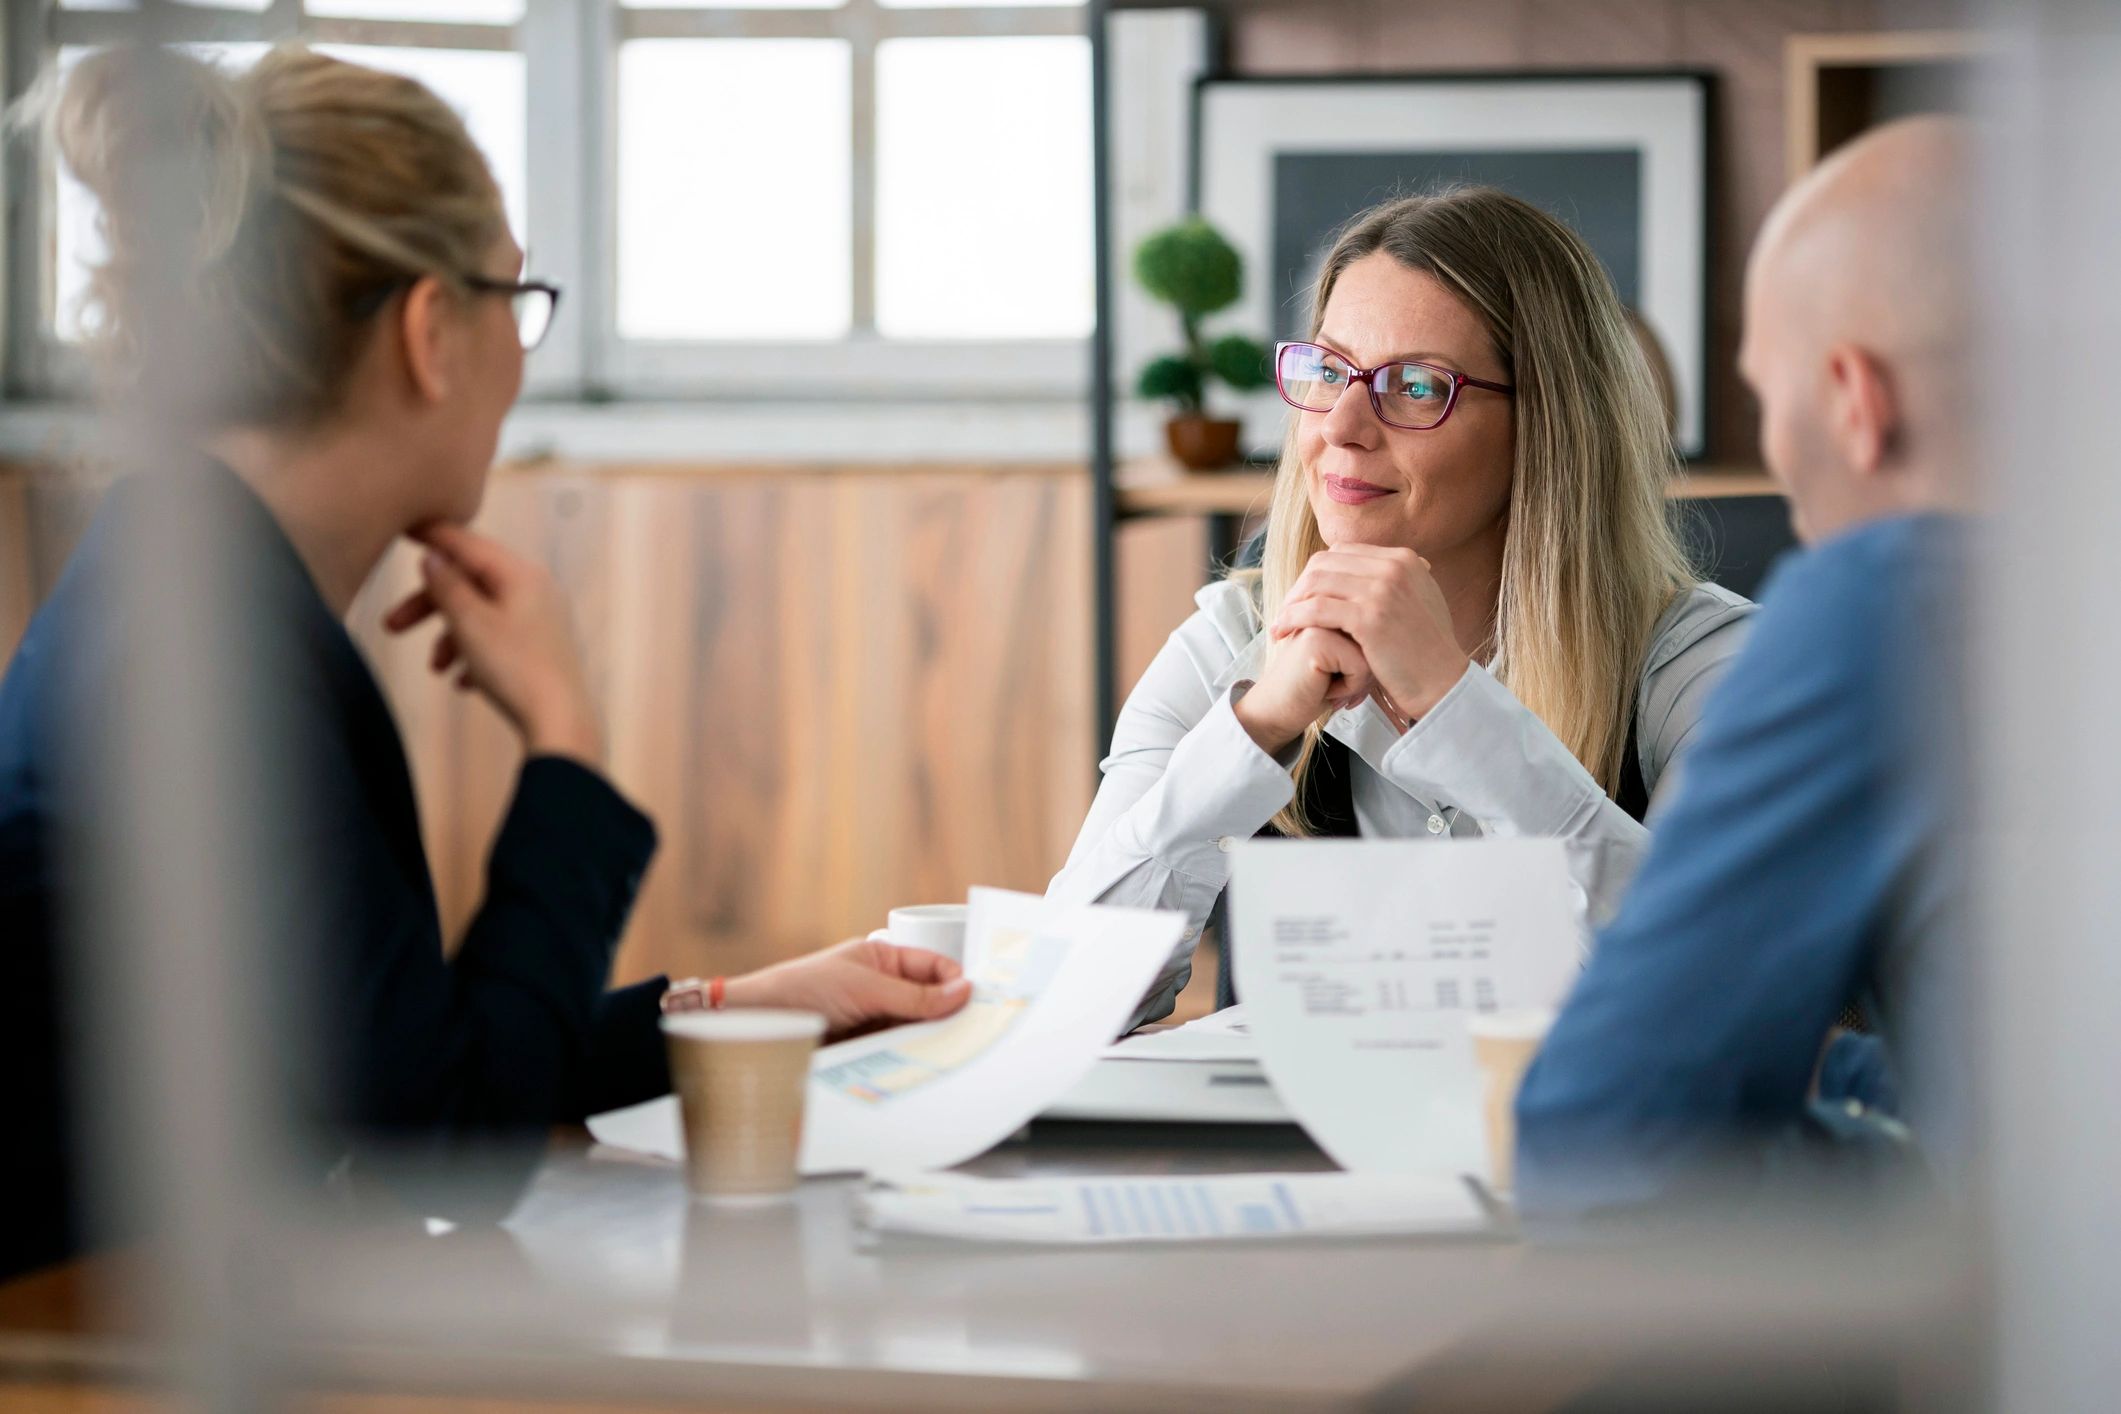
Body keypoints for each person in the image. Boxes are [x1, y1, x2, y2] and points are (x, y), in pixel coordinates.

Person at [0, 46, 967, 1281]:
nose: (522, 355)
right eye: (516, 300)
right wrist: (563, 740)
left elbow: (416, 1059)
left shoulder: (191, 580)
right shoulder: (212, 655)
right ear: (429, 331)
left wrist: (753, 1002)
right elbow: (445, 1136)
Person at [1049, 187, 1754, 1024]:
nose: (1341, 426)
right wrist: (1251, 734)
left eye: (1417, 386)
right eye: (1328, 371)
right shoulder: (1228, 646)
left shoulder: (1710, 669)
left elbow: (1722, 995)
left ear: (1550, 426)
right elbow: (1064, 997)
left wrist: (1461, 716)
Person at [1513, 116, 1976, 1217]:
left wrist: (1859, 1142)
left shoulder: (1884, 604)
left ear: (1856, 401)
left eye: (1771, 400)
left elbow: (1605, 1134)